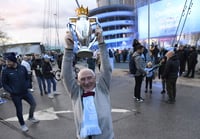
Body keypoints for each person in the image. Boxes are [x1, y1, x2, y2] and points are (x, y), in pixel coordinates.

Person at [62, 26, 114, 139]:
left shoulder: (102, 88)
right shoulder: (75, 93)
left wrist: (101, 43)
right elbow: (66, 75)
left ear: (95, 78)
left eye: (90, 78)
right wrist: (68, 49)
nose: (87, 82)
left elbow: (107, 69)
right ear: (78, 81)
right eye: (83, 79)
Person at [1, 52, 39, 132]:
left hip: (25, 92)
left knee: (33, 104)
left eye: (8, 61)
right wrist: (11, 91)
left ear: (13, 61)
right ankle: (22, 124)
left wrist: (27, 85)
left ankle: (31, 117)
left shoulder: (22, 68)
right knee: (19, 110)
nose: (7, 63)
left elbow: (27, 77)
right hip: (15, 95)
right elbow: (4, 83)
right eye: (6, 61)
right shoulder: (5, 71)